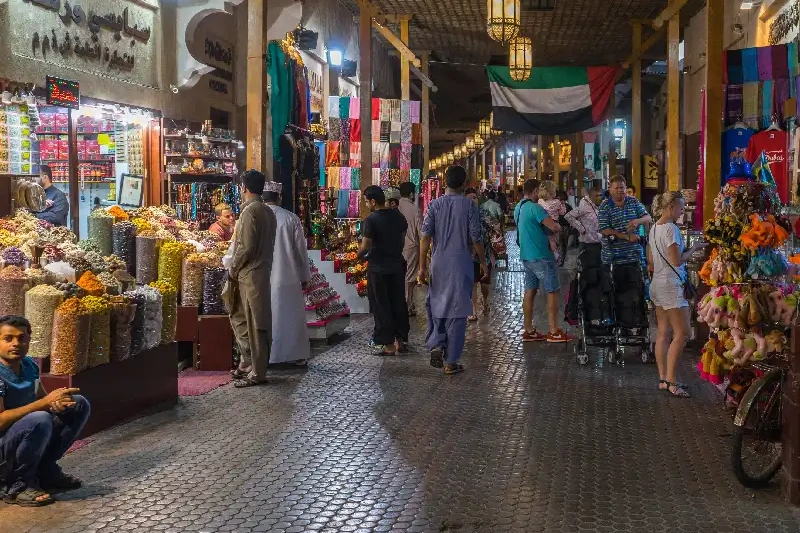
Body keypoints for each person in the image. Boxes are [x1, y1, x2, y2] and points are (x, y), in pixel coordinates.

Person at [0, 315, 90, 507]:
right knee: (40, 418)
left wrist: (56, 402)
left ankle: (45, 470)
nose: (16, 343)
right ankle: (17, 485)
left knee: (78, 403)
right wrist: (43, 405)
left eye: (21, 338)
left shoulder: (29, 365)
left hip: (24, 433)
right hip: (3, 446)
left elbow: (42, 398)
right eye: (8, 339)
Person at [419, 166, 486, 375]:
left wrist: (422, 266)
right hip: (460, 262)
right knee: (457, 310)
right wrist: (483, 261)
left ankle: (437, 342)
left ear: (445, 183)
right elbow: (476, 237)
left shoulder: (434, 205)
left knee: (437, 302)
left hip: (438, 262)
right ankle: (451, 361)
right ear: (465, 184)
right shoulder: (469, 206)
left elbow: (425, 237)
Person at [647, 192, 707, 398]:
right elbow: (677, 260)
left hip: (657, 284)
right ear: (670, 207)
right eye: (681, 208)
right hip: (671, 285)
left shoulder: (654, 228)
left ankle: (663, 378)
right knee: (682, 334)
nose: (682, 212)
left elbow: (651, 259)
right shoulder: (671, 229)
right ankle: (672, 381)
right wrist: (695, 249)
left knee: (664, 332)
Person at [227, 170, 277, 388]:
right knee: (243, 316)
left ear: (244, 188)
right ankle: (249, 361)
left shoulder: (251, 212)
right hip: (260, 272)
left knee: (255, 322)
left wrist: (233, 268)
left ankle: (258, 371)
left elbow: (246, 247)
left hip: (250, 273)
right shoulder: (268, 211)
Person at [515, 179, 571, 343]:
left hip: (526, 256)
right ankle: (553, 330)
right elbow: (553, 227)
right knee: (553, 290)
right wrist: (559, 227)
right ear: (535, 190)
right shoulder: (535, 208)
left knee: (530, 291)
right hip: (542, 255)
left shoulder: (519, 207)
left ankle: (529, 330)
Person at [263, 181, 311, 366]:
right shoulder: (290, 218)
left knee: (265, 317)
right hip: (287, 276)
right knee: (289, 316)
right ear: (279, 197)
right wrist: (305, 276)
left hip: (262, 276)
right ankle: (294, 355)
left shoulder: (254, 217)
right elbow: (300, 251)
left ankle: (264, 357)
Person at [358, 186, 410, 356]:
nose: (366, 204)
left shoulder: (371, 220)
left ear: (373, 201)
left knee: (381, 305)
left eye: (366, 201)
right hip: (396, 265)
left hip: (378, 268)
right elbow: (402, 241)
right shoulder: (399, 217)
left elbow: (366, 245)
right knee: (398, 302)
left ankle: (386, 343)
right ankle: (400, 339)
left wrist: (358, 255)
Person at [598, 176, 652, 268]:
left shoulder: (633, 201)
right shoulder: (605, 206)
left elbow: (648, 218)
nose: (619, 190)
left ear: (625, 188)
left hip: (635, 257)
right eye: (616, 188)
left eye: (622, 187)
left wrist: (637, 221)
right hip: (613, 259)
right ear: (610, 190)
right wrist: (627, 237)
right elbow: (604, 230)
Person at [466, 188, 492, 321]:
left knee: (484, 285)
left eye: (474, 197)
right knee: (473, 282)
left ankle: (485, 301)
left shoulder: (484, 213)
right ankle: (473, 310)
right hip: (470, 254)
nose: (472, 200)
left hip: (485, 252)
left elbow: (496, 229)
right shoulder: (463, 215)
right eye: (469, 197)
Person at [397, 182, 421, 316]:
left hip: (396, 246)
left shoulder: (396, 206)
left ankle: (409, 304)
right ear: (411, 194)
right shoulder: (414, 209)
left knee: (401, 276)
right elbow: (421, 232)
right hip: (411, 246)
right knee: (409, 277)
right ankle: (406, 304)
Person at [564, 186, 603, 265]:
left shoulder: (601, 207)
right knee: (588, 272)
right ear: (591, 196)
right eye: (597, 196)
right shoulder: (584, 207)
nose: (600, 198)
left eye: (600, 195)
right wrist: (581, 228)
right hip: (587, 245)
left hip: (599, 244)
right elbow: (568, 216)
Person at [537, 181, 566, 265]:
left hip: (544, 224)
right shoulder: (557, 202)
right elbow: (562, 212)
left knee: (550, 241)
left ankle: (552, 255)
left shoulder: (540, 201)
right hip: (555, 223)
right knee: (555, 241)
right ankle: (556, 255)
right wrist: (563, 204)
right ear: (551, 192)